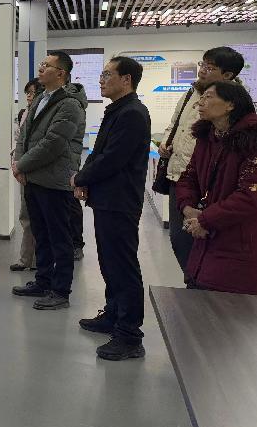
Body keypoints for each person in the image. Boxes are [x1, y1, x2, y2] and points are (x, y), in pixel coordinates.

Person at [73, 56, 151, 361]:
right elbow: (98, 152)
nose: (101, 79)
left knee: (122, 265)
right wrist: (85, 177)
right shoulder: (117, 109)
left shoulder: (133, 113)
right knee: (109, 261)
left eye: (107, 74)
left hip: (120, 201)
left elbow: (114, 158)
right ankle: (114, 314)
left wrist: (81, 177)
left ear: (126, 79)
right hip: (108, 198)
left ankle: (130, 335)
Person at [159, 47, 245, 272]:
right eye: (202, 64)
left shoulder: (235, 104)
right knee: (180, 239)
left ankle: (202, 285)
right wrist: (166, 142)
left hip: (210, 183)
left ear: (228, 75)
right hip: (180, 177)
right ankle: (193, 283)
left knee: (209, 242)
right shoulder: (191, 93)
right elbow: (174, 124)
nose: (203, 70)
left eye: (210, 67)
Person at [11, 51, 84, 309]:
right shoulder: (41, 98)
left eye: (47, 65)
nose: (41, 68)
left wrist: (21, 165)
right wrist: (19, 163)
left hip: (54, 181)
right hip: (33, 178)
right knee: (40, 234)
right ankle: (43, 281)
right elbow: (24, 136)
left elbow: (54, 143)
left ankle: (60, 291)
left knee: (59, 238)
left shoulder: (70, 104)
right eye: (41, 64)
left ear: (61, 73)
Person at [177, 82, 257, 294]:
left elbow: (249, 196)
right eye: (201, 97)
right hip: (205, 245)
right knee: (199, 299)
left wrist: (206, 219)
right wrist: (188, 208)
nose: (200, 103)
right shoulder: (207, 138)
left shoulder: (252, 140)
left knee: (225, 308)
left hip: (239, 245)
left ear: (230, 104)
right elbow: (188, 178)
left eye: (208, 97)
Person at [10, 78, 43, 271]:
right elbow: (20, 141)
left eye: (33, 93)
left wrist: (22, 165)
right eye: (27, 93)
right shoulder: (25, 113)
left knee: (39, 218)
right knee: (26, 217)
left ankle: (39, 261)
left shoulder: (45, 114)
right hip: (22, 170)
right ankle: (26, 259)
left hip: (37, 171)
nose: (29, 97)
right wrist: (17, 165)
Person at [65, 77, 89, 261]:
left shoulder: (72, 103)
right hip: (61, 160)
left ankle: (76, 244)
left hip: (68, 161)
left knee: (71, 202)